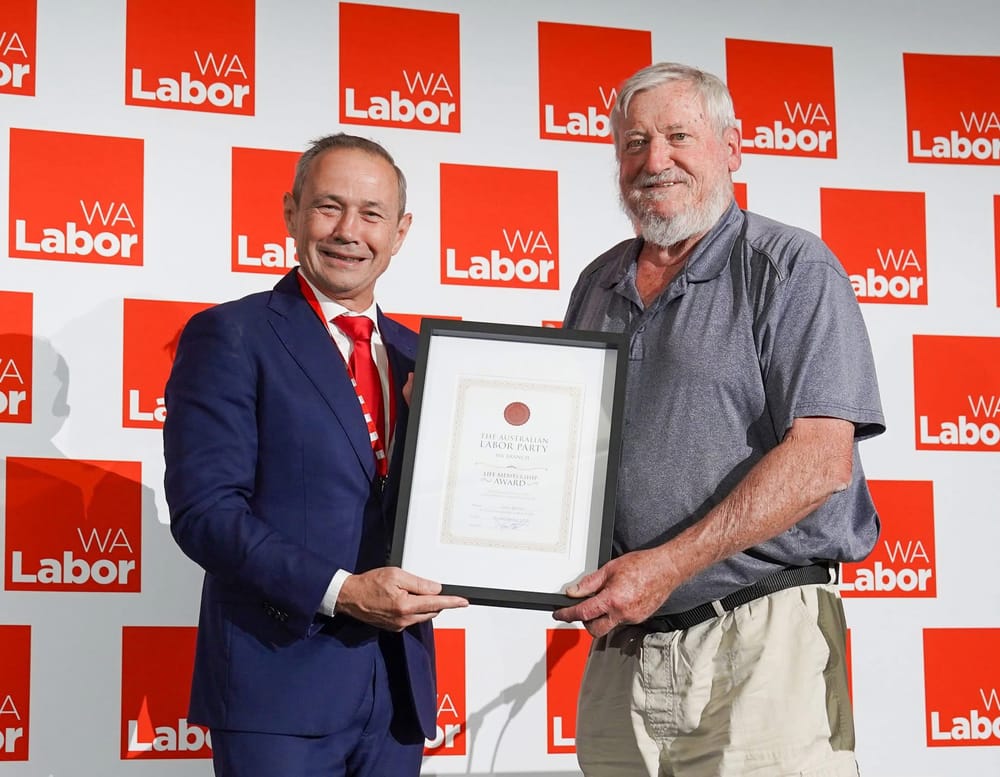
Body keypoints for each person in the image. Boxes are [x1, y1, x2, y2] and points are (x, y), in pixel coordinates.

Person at [552, 62, 885, 777]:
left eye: (679, 136)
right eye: (635, 142)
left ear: (732, 148)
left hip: (760, 639)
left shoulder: (792, 267)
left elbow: (820, 460)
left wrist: (664, 566)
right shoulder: (596, 282)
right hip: (626, 645)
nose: (655, 160)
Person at [163, 133, 468, 777]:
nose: (348, 231)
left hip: (398, 691)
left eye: (372, 213)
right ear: (291, 212)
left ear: (401, 230)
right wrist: (342, 591)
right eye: (328, 207)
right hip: (278, 688)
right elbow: (206, 512)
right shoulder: (232, 335)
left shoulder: (429, 359)